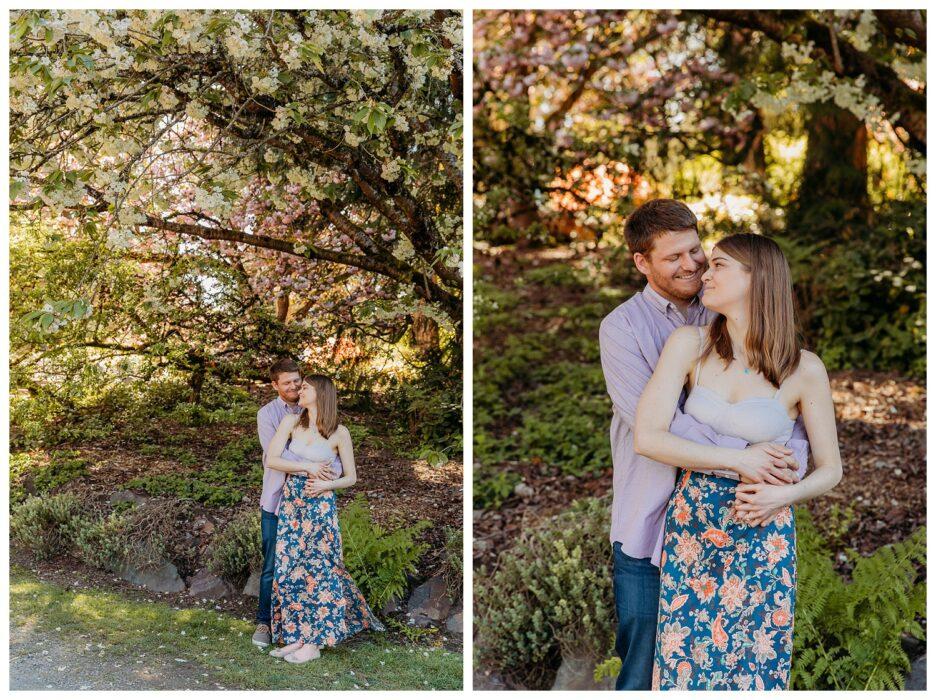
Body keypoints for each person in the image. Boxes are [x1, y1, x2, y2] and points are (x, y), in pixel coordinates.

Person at [598, 200, 810, 690]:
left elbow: (787, 408)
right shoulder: (623, 328)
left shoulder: (729, 306)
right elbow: (655, 428)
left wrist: (783, 466)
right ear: (642, 262)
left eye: (695, 250)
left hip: (737, 520)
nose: (692, 264)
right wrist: (745, 456)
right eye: (674, 257)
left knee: (731, 663)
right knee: (643, 663)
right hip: (649, 515)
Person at [633, 233, 842, 689]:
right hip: (692, 527)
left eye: (720, 264)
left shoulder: (804, 369)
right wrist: (739, 460)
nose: (704, 272)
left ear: (757, 278)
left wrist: (784, 495)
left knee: (753, 669)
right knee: (683, 666)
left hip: (761, 530)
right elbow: (648, 437)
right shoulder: (689, 344)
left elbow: (831, 469)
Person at [265, 374, 384, 663]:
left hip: (320, 507)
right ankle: (297, 636)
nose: (299, 390)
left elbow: (351, 477)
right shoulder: (291, 422)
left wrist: (324, 485)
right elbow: (272, 459)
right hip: (292, 504)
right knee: (290, 569)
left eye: (305, 387)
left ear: (321, 393)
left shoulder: (339, 432)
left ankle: (315, 643)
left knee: (320, 572)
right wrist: (307, 468)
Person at [251, 359, 341, 648]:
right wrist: (310, 467)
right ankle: (264, 622)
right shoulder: (269, 415)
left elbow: (335, 460)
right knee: (273, 564)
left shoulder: (314, 406)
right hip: (277, 500)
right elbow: (273, 457)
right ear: (275, 385)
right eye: (286, 382)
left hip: (312, 502)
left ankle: (300, 629)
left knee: (308, 565)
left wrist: (326, 475)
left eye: (297, 381)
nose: (294, 387)